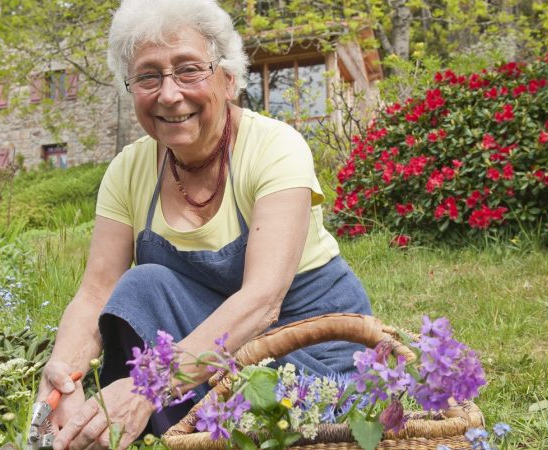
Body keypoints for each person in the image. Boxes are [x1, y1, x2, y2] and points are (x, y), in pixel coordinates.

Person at [35, 0, 372, 448]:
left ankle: (173, 419)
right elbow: (96, 291)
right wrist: (62, 379)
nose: (169, 94)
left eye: (189, 69)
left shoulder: (275, 148)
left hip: (316, 363)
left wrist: (149, 386)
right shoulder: (128, 170)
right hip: (223, 361)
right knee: (143, 285)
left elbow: (261, 302)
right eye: (148, 76)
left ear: (228, 79)